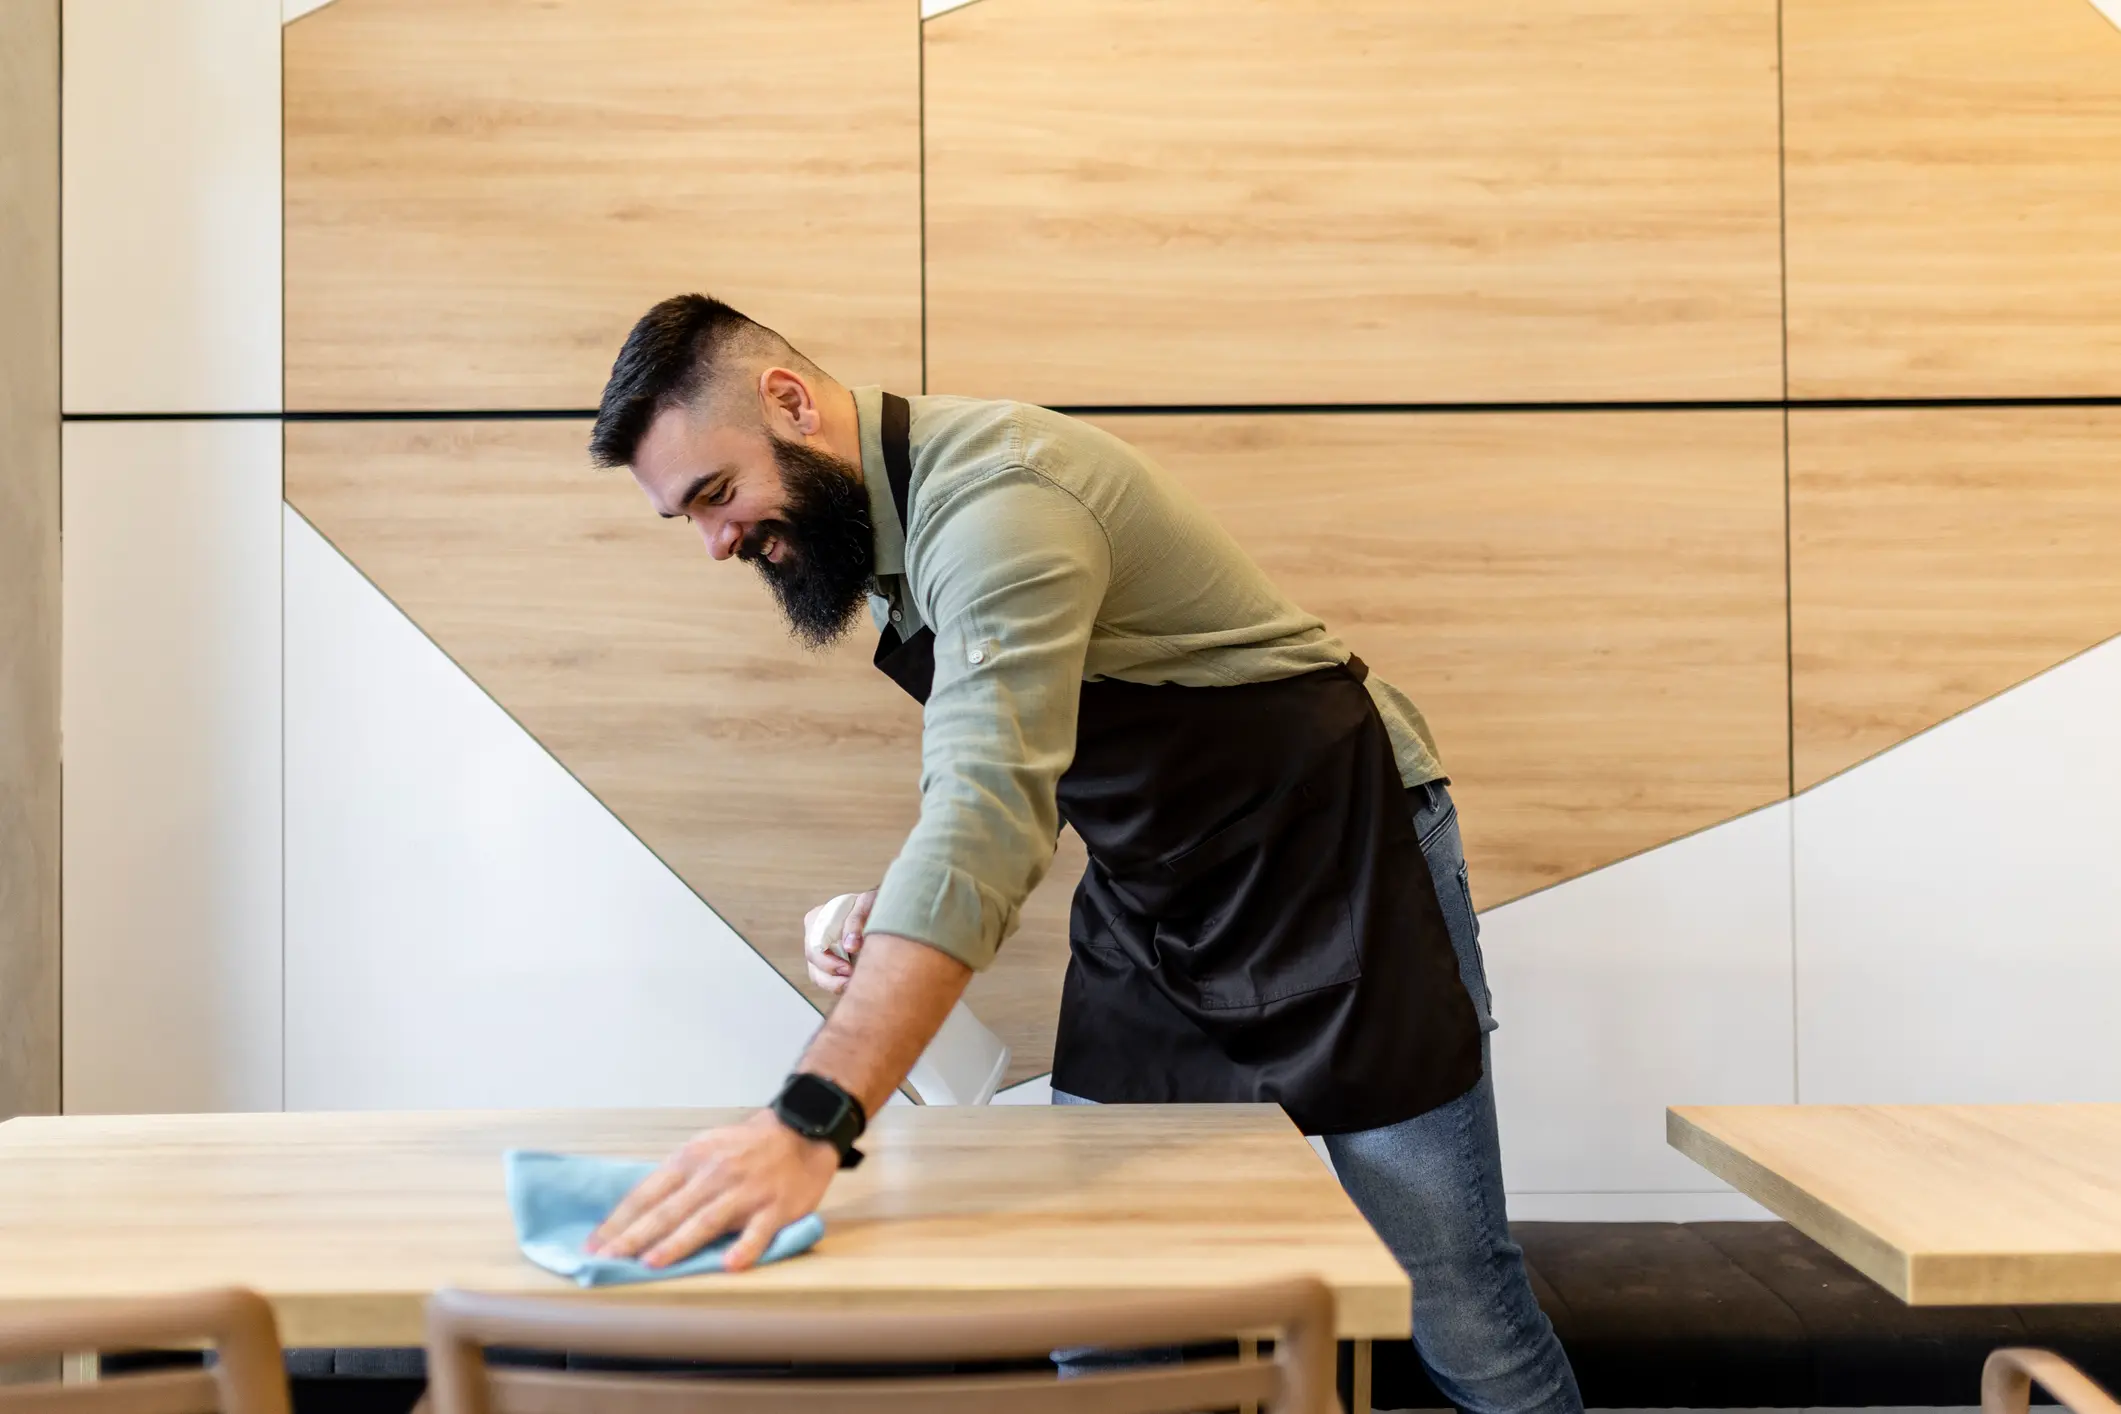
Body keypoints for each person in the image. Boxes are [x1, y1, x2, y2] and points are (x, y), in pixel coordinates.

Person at [580, 293, 1583, 1414]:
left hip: (1338, 862)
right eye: (690, 519)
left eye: (717, 494)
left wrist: (809, 1122)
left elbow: (987, 809)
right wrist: (900, 903)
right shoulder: (879, 533)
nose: (719, 542)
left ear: (789, 401)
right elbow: (1017, 756)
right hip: (1159, 903)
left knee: (1454, 1300)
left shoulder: (999, 504)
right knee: (1104, 1317)